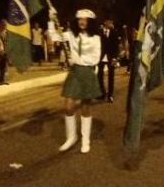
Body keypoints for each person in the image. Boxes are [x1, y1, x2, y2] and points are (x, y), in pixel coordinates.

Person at [51, 9, 101, 154]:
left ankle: (85, 140)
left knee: (85, 107)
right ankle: (71, 137)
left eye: (85, 19)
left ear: (90, 22)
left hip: (87, 71)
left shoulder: (95, 38)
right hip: (74, 73)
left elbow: (95, 58)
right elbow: (54, 37)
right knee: (68, 106)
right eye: (80, 19)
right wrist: (51, 19)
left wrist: (77, 60)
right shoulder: (71, 34)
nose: (82, 22)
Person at [98, 19, 119, 103]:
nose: (111, 23)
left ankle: (110, 95)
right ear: (105, 22)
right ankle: (102, 93)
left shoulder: (114, 32)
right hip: (100, 57)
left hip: (111, 57)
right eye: (110, 22)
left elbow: (116, 46)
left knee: (111, 77)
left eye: (112, 22)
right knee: (99, 76)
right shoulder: (99, 32)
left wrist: (115, 58)